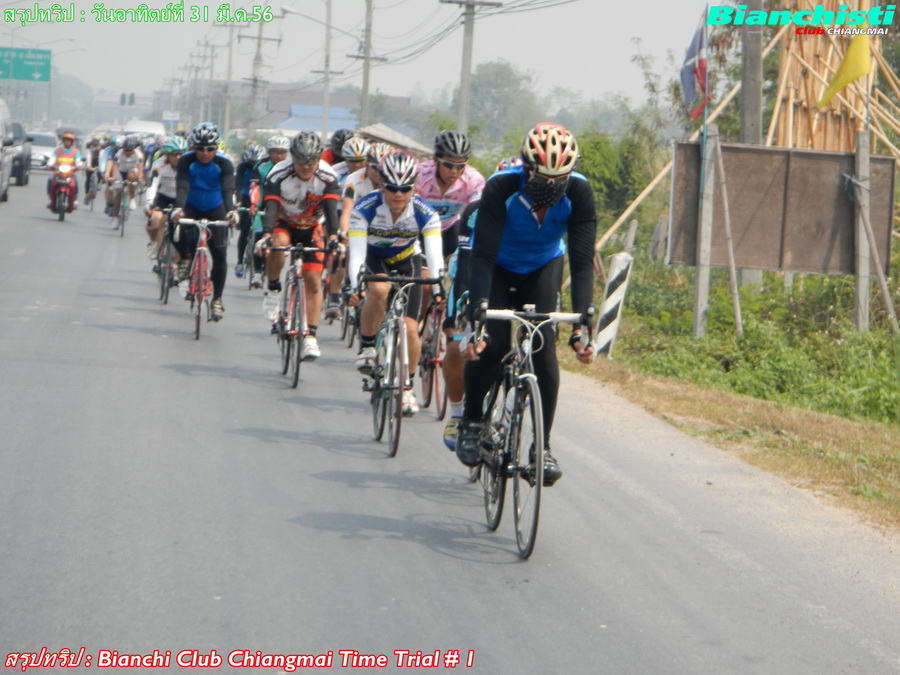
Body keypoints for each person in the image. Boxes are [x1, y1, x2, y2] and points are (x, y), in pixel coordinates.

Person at [454, 123, 596, 486]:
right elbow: (482, 255)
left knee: (543, 349)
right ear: (526, 167)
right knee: (494, 343)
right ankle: (472, 420)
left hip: (544, 265)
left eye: (559, 179)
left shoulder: (579, 191)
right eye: (542, 179)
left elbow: (582, 263)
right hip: (498, 266)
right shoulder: (501, 186)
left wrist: (582, 326)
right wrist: (478, 314)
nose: (551, 186)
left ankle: (542, 447)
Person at [348, 150, 443, 417]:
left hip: (406, 260)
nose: (398, 194)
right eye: (391, 188)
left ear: (414, 187)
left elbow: (434, 255)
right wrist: (356, 286)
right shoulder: (364, 208)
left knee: (411, 328)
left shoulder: (425, 212)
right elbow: (356, 254)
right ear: (381, 184)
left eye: (405, 189)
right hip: (374, 258)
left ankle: (407, 387)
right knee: (379, 289)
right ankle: (368, 346)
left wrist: (439, 288)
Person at [441, 157, 523, 450]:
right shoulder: (476, 210)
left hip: (515, 276)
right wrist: (461, 311)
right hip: (475, 274)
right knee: (456, 346)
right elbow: (466, 263)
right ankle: (458, 414)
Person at [260, 131, 340, 361]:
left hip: (312, 226)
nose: (306, 167)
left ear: (319, 159)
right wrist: (266, 234)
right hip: (284, 222)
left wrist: (333, 237)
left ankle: (310, 337)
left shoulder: (327, 175)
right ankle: (273, 289)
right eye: (300, 162)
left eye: (311, 162)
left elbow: (331, 211)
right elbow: (271, 207)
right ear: (292, 158)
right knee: (278, 244)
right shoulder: (278, 173)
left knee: (313, 279)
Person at [171, 122, 237, 321]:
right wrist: (178, 209)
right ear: (193, 147)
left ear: (217, 148)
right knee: (174, 224)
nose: (205, 153)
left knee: (220, 254)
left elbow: (227, 191)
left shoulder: (224, 164)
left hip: (216, 207)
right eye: (200, 148)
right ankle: (185, 258)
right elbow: (182, 186)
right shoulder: (186, 161)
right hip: (191, 205)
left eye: (210, 149)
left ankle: (217, 299)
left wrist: (232, 212)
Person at [416, 130, 485, 259]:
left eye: (460, 165)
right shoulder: (420, 175)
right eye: (448, 164)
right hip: (420, 229)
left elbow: (478, 213)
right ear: (436, 160)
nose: (454, 171)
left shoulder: (473, 179)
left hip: (450, 229)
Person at [324, 136, 371, 318]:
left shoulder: (373, 174)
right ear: (345, 159)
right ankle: (334, 295)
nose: (357, 165)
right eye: (352, 161)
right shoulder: (336, 172)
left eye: (361, 161)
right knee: (341, 249)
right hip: (338, 211)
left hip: (363, 214)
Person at [246, 135, 290, 289]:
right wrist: (254, 205)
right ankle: (258, 271)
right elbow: (255, 188)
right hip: (263, 204)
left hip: (284, 206)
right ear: (269, 152)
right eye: (276, 152)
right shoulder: (261, 166)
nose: (279, 156)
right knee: (259, 235)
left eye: (282, 152)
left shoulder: (291, 167)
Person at [144, 136, 187, 261]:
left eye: (181, 154)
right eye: (174, 154)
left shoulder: (188, 165)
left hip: (182, 198)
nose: (178, 157)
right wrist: (149, 202)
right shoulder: (158, 165)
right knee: (156, 219)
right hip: (163, 196)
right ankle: (154, 244)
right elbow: (153, 185)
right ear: (167, 154)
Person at [234, 142, 266, 279]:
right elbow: (238, 185)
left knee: (260, 233)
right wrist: (238, 203)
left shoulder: (265, 167)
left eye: (256, 162)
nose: (254, 165)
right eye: (251, 162)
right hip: (246, 197)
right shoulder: (242, 167)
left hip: (261, 198)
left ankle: (260, 266)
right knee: (245, 230)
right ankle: (240, 262)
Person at [104, 135, 144, 217]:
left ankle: (132, 198)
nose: (128, 152)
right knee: (118, 192)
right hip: (121, 171)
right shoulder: (119, 153)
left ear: (134, 149)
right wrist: (114, 177)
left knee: (131, 176)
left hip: (132, 170)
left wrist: (140, 177)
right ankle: (115, 215)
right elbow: (115, 165)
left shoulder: (139, 154)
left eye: (130, 150)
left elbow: (140, 166)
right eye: (126, 150)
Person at [46, 131, 83, 210]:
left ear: (72, 142)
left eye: (69, 140)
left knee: (75, 182)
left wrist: (78, 166)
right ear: (62, 141)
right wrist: (50, 164)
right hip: (58, 173)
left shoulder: (76, 152)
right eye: (65, 140)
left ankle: (75, 199)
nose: (67, 142)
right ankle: (50, 199)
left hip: (70, 173)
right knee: (50, 179)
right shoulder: (57, 151)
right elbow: (52, 160)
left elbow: (78, 162)